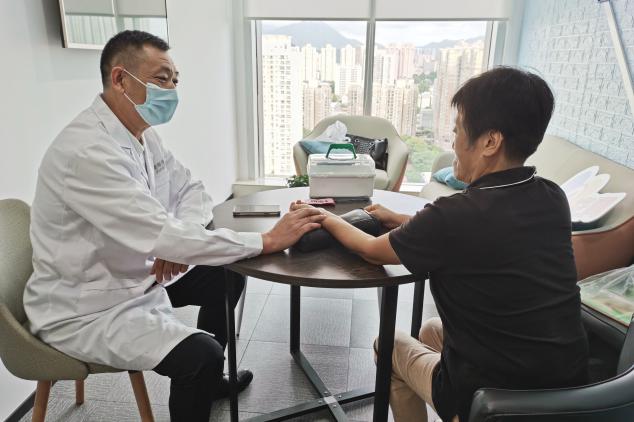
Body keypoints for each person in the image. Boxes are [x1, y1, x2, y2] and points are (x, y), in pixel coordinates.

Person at [23, 30, 325, 422]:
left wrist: (177, 243)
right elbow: (159, 232)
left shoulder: (142, 136)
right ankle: (205, 375)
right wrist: (266, 240)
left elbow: (192, 190)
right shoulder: (86, 153)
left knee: (227, 274)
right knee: (201, 356)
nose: (171, 90)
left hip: (135, 274)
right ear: (120, 79)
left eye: (175, 81)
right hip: (88, 306)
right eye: (161, 79)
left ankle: (209, 382)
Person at [291, 67, 589, 422]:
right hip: (567, 390)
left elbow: (371, 250)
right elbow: (483, 236)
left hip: (495, 402)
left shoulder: (456, 214)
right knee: (431, 331)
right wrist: (402, 219)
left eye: (458, 130)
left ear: (490, 142)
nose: (453, 143)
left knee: (387, 346)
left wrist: (325, 217)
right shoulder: (552, 197)